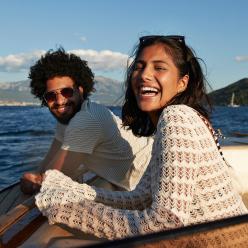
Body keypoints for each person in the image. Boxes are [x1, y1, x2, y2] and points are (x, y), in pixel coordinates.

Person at [35, 36, 247, 240]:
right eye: (138, 66)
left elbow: (165, 225)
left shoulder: (176, 117)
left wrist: (65, 207)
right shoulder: (169, 122)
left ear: (182, 83)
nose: (144, 75)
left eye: (159, 67)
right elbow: (141, 198)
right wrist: (71, 191)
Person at [20, 48, 153, 194]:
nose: (59, 101)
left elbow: (53, 180)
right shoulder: (67, 119)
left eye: (66, 92)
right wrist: (39, 174)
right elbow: (49, 161)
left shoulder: (86, 120)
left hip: (149, 177)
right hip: (129, 174)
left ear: (81, 90)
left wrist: (34, 180)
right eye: (51, 96)